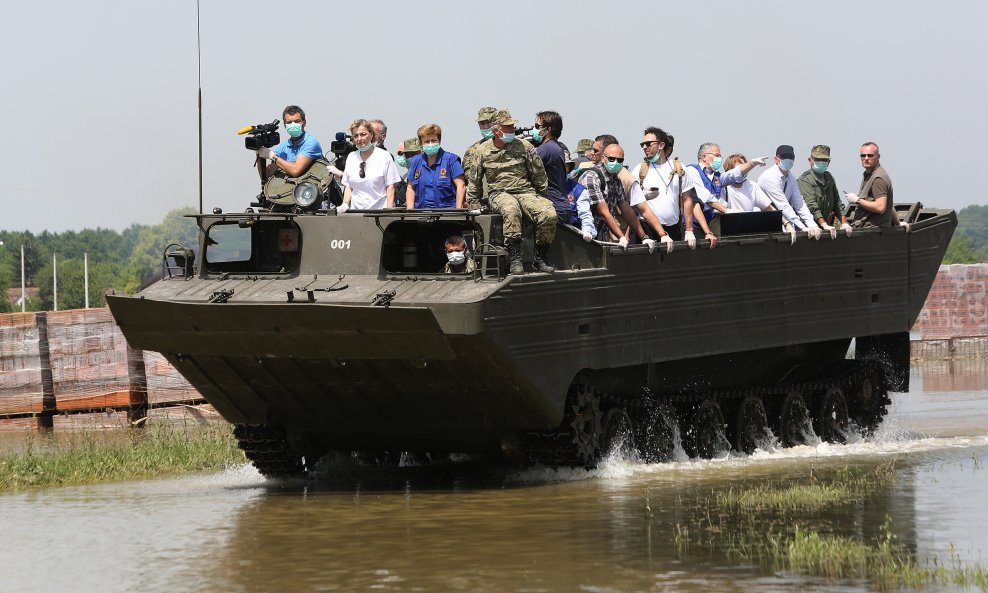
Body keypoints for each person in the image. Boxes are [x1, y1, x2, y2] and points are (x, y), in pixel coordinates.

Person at [466, 109, 557, 275]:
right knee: (510, 208)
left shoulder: (525, 146)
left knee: (548, 212)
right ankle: (515, 257)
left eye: (512, 126)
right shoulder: (482, 151)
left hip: (525, 192)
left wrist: (540, 199)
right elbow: (474, 181)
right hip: (498, 193)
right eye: (508, 127)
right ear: (496, 130)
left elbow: (539, 175)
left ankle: (540, 257)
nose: (512, 130)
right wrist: (474, 203)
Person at [581, 142, 656, 252]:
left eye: (620, 160)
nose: (616, 162)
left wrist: (644, 237)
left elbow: (626, 208)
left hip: (601, 233)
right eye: (612, 159)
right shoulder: (592, 177)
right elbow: (603, 212)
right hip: (583, 234)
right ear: (603, 158)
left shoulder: (615, 180)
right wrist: (621, 237)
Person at [684, 143, 766, 238]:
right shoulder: (692, 170)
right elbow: (704, 196)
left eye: (720, 156)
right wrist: (726, 210)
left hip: (713, 224)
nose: (719, 159)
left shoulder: (717, 176)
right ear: (704, 157)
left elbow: (733, 174)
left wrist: (752, 163)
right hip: (695, 226)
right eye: (716, 155)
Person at [627, 126, 682, 253]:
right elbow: (632, 206)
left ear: (661, 145)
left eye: (648, 143)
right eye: (642, 144)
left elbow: (687, 199)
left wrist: (689, 230)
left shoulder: (678, 168)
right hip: (647, 229)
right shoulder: (639, 170)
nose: (644, 147)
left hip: (674, 228)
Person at [721, 154, 795, 243]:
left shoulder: (752, 186)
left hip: (748, 230)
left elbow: (769, 208)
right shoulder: (722, 188)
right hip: (728, 233)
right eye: (740, 169)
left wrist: (787, 224)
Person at [756, 145, 823, 240]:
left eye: (791, 157)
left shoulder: (791, 178)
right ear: (776, 159)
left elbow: (799, 203)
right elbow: (783, 205)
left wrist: (812, 225)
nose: (788, 159)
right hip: (763, 223)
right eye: (784, 157)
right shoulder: (769, 177)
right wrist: (802, 227)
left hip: (782, 222)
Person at [337, 119, 401, 212]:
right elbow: (348, 186)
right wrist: (345, 203)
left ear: (371, 135)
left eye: (363, 134)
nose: (359, 139)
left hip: (378, 212)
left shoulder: (384, 156)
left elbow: (390, 186)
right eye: (355, 136)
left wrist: (389, 209)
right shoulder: (351, 157)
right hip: (356, 212)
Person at [254, 105, 323, 181]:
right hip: (290, 190)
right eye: (289, 122)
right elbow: (267, 175)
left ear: (304, 122)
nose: (293, 125)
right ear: (285, 125)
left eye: (297, 121)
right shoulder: (282, 148)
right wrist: (258, 153)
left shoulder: (311, 142)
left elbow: (295, 171)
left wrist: (273, 157)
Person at [405, 123, 466, 209]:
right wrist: (410, 213)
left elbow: (461, 186)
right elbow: (410, 188)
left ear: (439, 141)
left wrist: (458, 211)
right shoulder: (416, 161)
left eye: (433, 140)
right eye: (426, 141)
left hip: (446, 214)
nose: (430, 144)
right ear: (421, 144)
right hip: (420, 213)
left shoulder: (451, 159)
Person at [797, 145, 852, 236]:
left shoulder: (829, 177)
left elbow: (837, 202)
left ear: (829, 162)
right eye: (817, 160)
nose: (821, 162)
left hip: (827, 227)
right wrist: (824, 224)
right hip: (810, 228)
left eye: (824, 160)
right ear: (810, 160)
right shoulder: (805, 179)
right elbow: (812, 205)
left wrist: (844, 223)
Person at [846, 142, 896, 228]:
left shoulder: (878, 178)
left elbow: (881, 207)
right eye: (863, 155)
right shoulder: (869, 174)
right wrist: (898, 223)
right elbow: (888, 204)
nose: (866, 158)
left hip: (874, 233)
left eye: (870, 155)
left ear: (878, 157)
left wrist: (857, 200)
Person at [532, 111, 570, 222]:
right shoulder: (556, 147)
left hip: (553, 208)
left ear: (548, 130)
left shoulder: (545, 149)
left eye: (537, 126)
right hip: (561, 207)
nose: (534, 129)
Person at [463, 106, 498, 209]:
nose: (486, 126)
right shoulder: (472, 150)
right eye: (482, 123)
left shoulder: (514, 146)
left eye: (489, 122)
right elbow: (468, 177)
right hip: (483, 201)